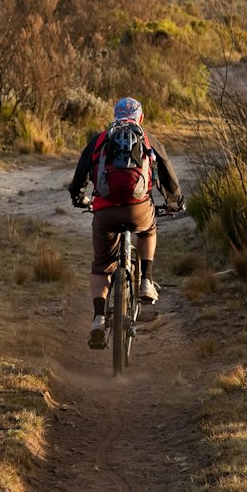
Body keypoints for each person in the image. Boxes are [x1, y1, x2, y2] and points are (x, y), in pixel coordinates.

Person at [67, 96, 183, 348]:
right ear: (140, 117)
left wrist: (80, 199)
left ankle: (98, 318)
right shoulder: (148, 138)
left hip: (105, 211)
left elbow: (79, 178)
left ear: (115, 115)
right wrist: (174, 202)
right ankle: (146, 281)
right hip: (138, 209)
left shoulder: (100, 139)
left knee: (101, 265)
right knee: (148, 230)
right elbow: (167, 176)